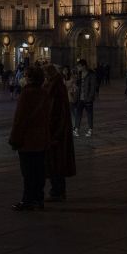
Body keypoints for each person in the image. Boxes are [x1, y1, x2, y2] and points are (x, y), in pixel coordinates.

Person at [9, 65, 50, 211]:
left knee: (27, 172)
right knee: (39, 171)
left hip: (27, 139)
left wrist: (14, 138)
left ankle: (27, 200)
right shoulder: (44, 93)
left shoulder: (26, 94)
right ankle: (39, 199)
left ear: (29, 78)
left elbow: (19, 118)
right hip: (41, 138)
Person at [43, 65, 76, 201]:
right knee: (55, 162)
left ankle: (58, 191)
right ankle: (57, 190)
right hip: (56, 130)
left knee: (56, 162)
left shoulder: (55, 87)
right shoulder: (55, 85)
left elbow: (55, 111)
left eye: (46, 74)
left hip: (56, 132)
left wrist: (54, 132)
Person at [74, 59, 97, 137]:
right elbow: (78, 84)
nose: (78, 68)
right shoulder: (79, 74)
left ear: (84, 66)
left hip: (87, 98)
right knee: (78, 114)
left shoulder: (91, 74)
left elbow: (93, 87)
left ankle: (90, 129)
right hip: (80, 98)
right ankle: (76, 129)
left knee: (89, 114)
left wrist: (90, 98)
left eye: (79, 66)